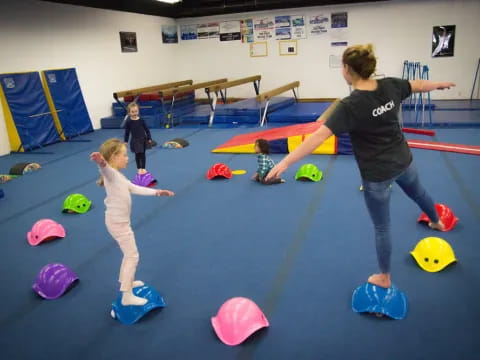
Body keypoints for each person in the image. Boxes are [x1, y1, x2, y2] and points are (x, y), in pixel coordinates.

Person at [266, 44, 455, 288]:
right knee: (419, 193)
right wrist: (439, 84)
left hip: (376, 174)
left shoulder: (350, 106)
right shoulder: (390, 85)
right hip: (403, 161)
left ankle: (384, 277)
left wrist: (285, 161)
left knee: (382, 226)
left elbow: (317, 138)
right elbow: (418, 85)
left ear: (346, 70)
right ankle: (437, 222)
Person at [90, 138, 174, 306]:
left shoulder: (119, 177)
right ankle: (126, 296)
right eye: (124, 155)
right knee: (132, 256)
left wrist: (157, 192)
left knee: (129, 255)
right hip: (117, 223)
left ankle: (127, 282)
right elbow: (105, 169)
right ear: (114, 157)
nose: (128, 158)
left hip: (119, 222)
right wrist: (100, 161)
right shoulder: (112, 175)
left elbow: (135, 188)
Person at [124, 102, 153, 175]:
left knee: (143, 154)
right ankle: (139, 168)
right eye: (132, 112)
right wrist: (125, 141)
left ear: (138, 111)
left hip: (142, 139)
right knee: (137, 155)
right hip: (135, 140)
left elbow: (147, 130)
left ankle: (143, 168)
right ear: (129, 113)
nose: (134, 113)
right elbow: (127, 132)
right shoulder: (129, 122)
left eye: (136, 111)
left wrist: (149, 138)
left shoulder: (141, 121)